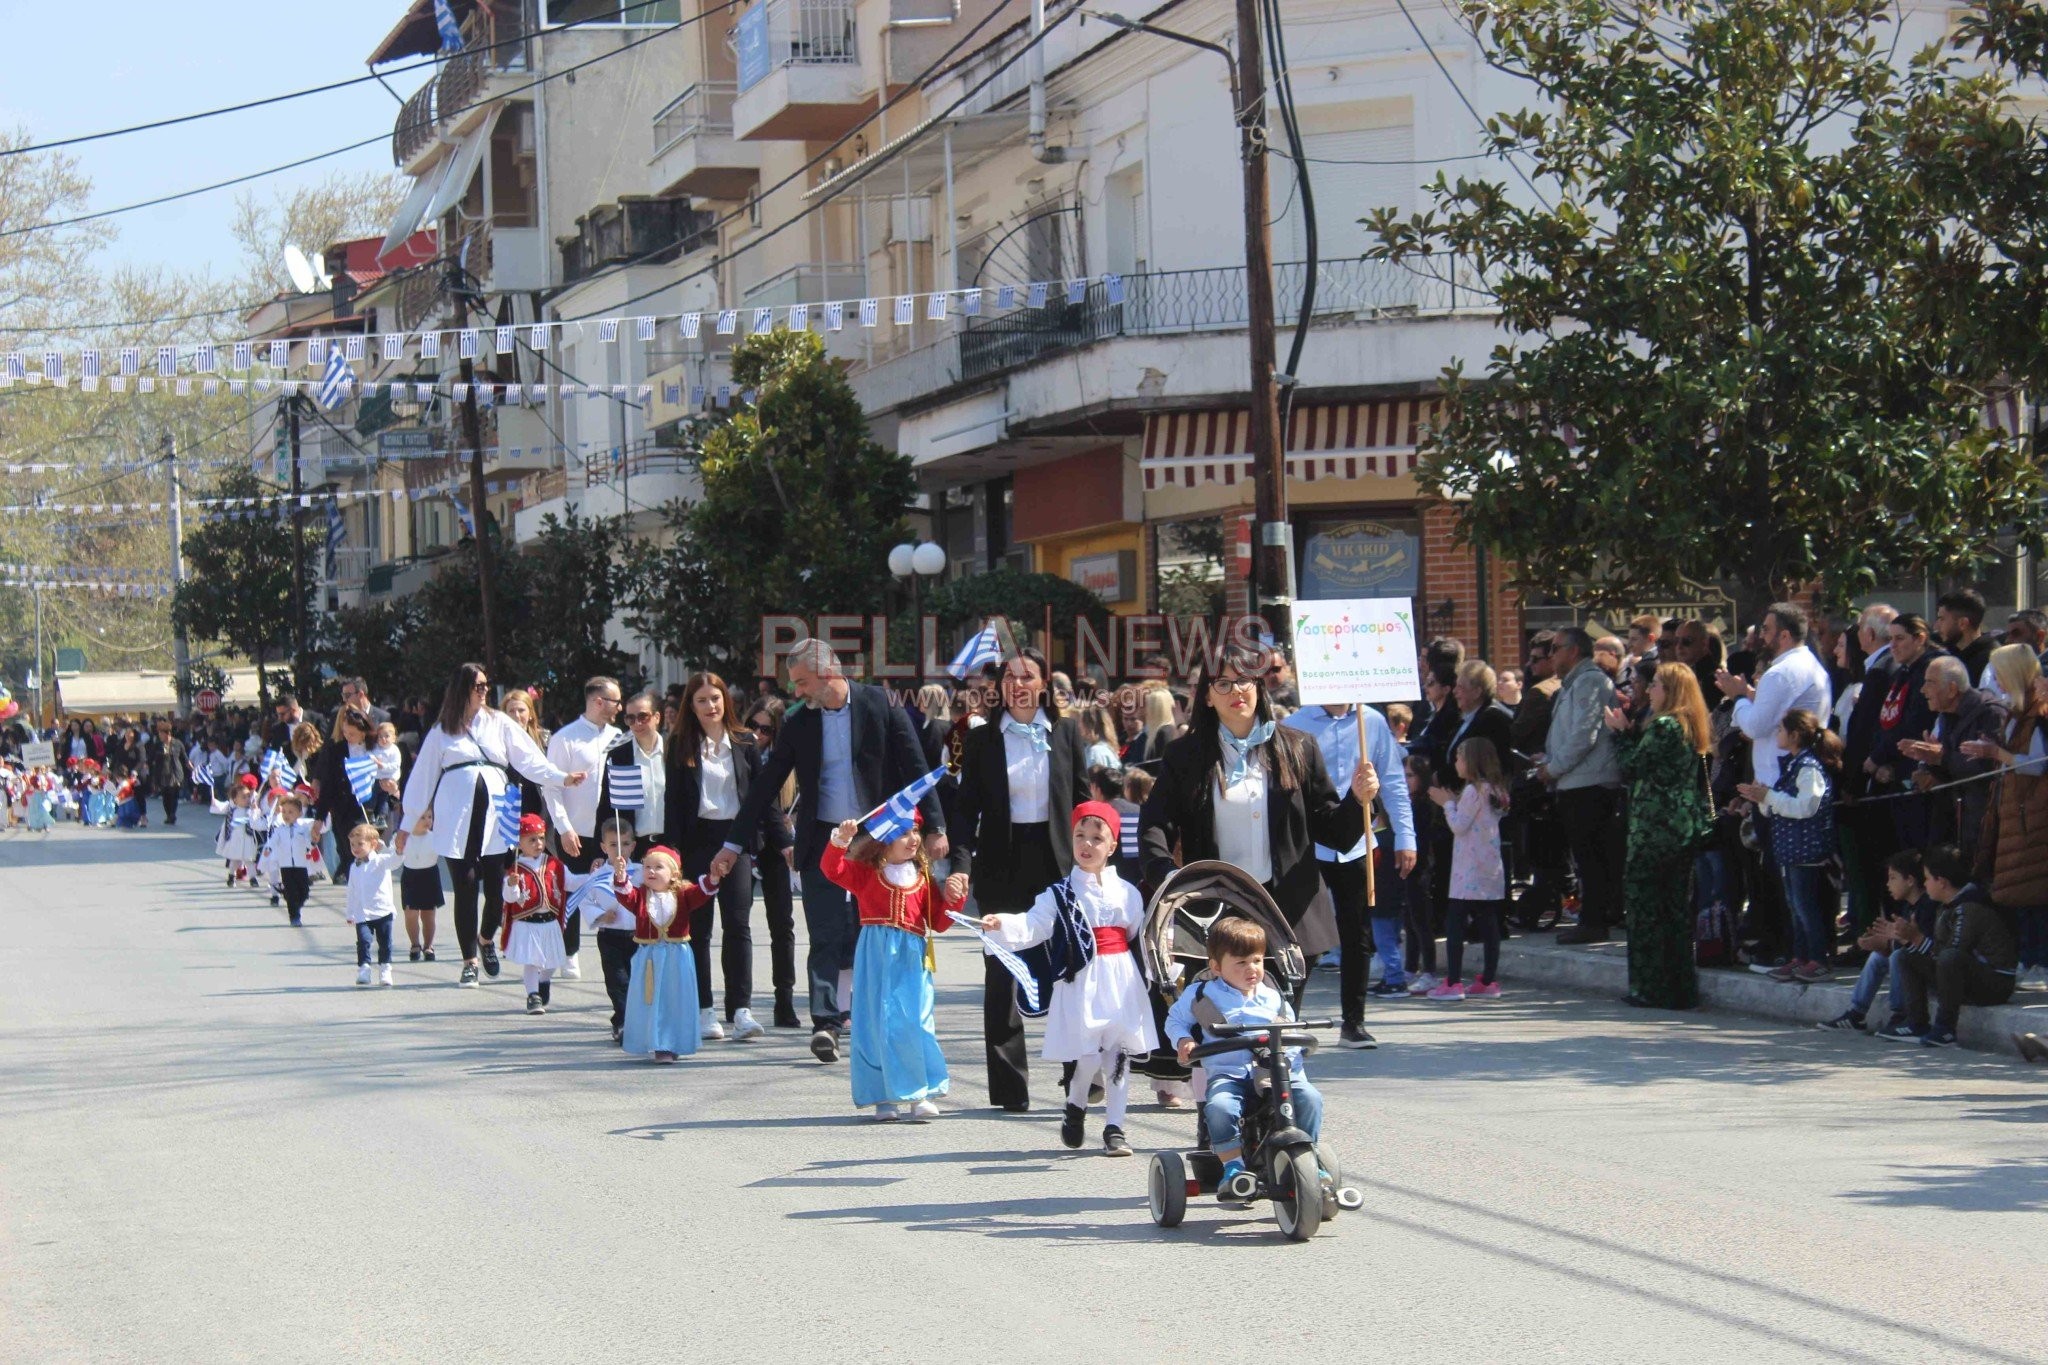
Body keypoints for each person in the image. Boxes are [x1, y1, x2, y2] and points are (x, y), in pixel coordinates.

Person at [714, 639, 947, 1065]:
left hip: (880, 840)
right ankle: (824, 1023)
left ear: (828, 672)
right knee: (823, 931)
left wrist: (935, 827)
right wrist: (733, 843)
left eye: (802, 682)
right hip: (826, 839)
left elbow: (916, 767)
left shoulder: (880, 702)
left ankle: (870, 1010)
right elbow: (767, 785)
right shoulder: (799, 721)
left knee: (871, 929)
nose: (797, 692)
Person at [1139, 643, 1375, 988]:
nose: (1236, 690)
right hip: (1215, 911)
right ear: (1207, 696)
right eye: (1223, 683)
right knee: (1225, 1023)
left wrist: (1358, 799)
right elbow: (1155, 825)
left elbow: (1333, 831)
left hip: (1287, 915)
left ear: (1259, 686)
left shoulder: (1299, 747)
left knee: (1280, 1026)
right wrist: (1167, 878)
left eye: (1245, 680)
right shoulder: (1184, 756)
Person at [950, 647, 1095, 1110]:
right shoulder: (982, 740)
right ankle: (1010, 1088)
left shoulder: (1067, 733)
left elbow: (1082, 802)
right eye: (1009, 676)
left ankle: (1080, 1073)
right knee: (1002, 974)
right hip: (1000, 865)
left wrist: (1094, 860)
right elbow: (963, 813)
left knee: (1070, 970)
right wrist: (960, 866)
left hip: (1056, 865)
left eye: (1027, 675)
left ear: (1043, 684)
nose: (1018, 684)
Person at [976, 801, 1158, 1156]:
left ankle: (1115, 1129)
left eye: (1096, 837)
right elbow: (1034, 925)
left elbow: (1137, 932)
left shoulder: (1128, 892)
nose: (1087, 844)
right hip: (1081, 981)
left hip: (1121, 978)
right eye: (1079, 836)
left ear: (1112, 845)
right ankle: (1076, 1105)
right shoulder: (1059, 894)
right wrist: (1002, 923)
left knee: (1119, 1055)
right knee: (1088, 1056)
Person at [399, 663, 586, 990]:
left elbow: (529, 758)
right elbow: (423, 778)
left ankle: (486, 938)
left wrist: (560, 777)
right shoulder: (443, 729)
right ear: (462, 688)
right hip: (456, 815)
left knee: (498, 888)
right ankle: (469, 960)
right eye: (477, 685)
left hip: (497, 815)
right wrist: (406, 823)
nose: (483, 690)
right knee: (466, 886)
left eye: (485, 684)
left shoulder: (499, 723)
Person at [1282, 697, 1415, 1047]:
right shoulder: (1295, 724)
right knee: (1302, 937)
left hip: (1358, 843)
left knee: (1358, 934)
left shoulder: (1371, 721)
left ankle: (1353, 1022)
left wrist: (1406, 835)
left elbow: (1393, 780)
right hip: (1310, 845)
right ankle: (1288, 1020)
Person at [665, 672, 788, 1042]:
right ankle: (705, 1010)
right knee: (698, 930)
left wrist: (783, 841)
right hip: (696, 842)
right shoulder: (680, 744)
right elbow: (673, 805)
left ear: (726, 701)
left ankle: (741, 1010)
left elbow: (760, 799)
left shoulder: (745, 742)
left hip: (735, 841)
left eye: (715, 698)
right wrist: (672, 856)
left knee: (738, 925)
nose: (710, 706)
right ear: (691, 705)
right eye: (701, 700)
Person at [1164, 916, 1325, 1197]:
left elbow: (1291, 1033)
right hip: (1230, 1071)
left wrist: (1292, 1052)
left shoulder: (1274, 997)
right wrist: (1184, 1039)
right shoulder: (1202, 994)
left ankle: (1307, 1155)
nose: (1251, 969)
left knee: (1310, 1098)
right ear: (1216, 967)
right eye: (1240, 963)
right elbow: (1175, 1020)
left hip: (1275, 1071)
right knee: (1220, 1107)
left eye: (1257, 961)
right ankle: (1233, 1166)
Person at [821, 815, 964, 1121]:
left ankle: (919, 1092)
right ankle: (882, 1095)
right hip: (876, 955)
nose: (913, 838)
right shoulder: (867, 873)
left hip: (912, 958)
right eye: (903, 833)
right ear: (883, 841)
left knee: (916, 1021)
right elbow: (832, 869)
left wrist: (955, 897)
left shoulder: (923, 877)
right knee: (876, 1023)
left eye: (915, 831)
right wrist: (840, 841)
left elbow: (938, 921)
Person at [1608, 663, 1715, 1009]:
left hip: (1655, 829)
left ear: (1671, 690)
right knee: (1674, 910)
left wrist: (1621, 733)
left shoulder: (1666, 725)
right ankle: (1679, 987)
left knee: (1645, 908)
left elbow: (1632, 765)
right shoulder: (1689, 725)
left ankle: (1650, 986)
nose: (1649, 690)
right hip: (1679, 827)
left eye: (1655, 685)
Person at [1737, 709, 1842, 983]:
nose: (1777, 735)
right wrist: (1761, 797)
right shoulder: (1792, 765)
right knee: (1795, 908)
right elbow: (1778, 807)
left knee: (1807, 908)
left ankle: (1818, 959)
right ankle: (1800, 957)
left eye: (1781, 730)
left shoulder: (1809, 768)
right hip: (1790, 851)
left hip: (1806, 851)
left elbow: (1807, 806)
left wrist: (1769, 795)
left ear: (1795, 735)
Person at [1881, 844, 2019, 1046]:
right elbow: (1938, 951)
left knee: (1950, 957)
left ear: (1942, 882)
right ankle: (1916, 1022)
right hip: (1967, 977)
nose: (1925, 884)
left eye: (1927, 879)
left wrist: (1917, 939)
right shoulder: (1946, 907)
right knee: (1905, 956)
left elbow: (1951, 954)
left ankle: (1945, 1029)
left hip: (1995, 983)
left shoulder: (1970, 907)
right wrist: (1909, 941)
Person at [1968, 644, 2048, 988]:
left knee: (2034, 893)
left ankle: (2039, 964)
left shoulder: (2037, 715)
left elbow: (2036, 764)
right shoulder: (2017, 713)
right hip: (2015, 814)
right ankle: (2028, 960)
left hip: (2033, 816)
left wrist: (1995, 752)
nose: (1996, 680)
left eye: (2001, 672)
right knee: (2018, 892)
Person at [1539, 627, 1625, 943]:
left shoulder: (1590, 681)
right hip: (1574, 782)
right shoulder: (1573, 684)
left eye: (1555, 648)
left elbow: (1584, 734)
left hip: (1589, 783)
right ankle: (1594, 917)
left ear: (1573, 651)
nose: (1551, 655)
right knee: (1585, 856)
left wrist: (1554, 767)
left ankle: (1595, 920)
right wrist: (1546, 759)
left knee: (1592, 858)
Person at [611, 846, 717, 1063]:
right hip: (649, 958)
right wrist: (620, 877)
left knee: (675, 1000)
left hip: (676, 957)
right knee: (652, 1000)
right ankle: (658, 1044)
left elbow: (702, 893)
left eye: (658, 867)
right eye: (647, 867)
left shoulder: (683, 894)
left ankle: (674, 1041)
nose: (651, 871)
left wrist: (714, 877)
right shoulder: (640, 895)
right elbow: (625, 896)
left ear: (674, 874)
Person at [1897, 656, 2007, 860]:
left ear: (1952, 689)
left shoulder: (1990, 713)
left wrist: (1941, 758)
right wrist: (1930, 766)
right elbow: (1950, 766)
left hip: (1985, 823)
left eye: (1930, 683)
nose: (1923, 690)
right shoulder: (1947, 715)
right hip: (1957, 819)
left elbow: (1987, 769)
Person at [1427, 736, 1510, 1000]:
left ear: (1472, 761)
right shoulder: (1497, 789)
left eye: (1460, 757)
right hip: (1489, 868)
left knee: (1455, 924)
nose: (1456, 762)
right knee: (1489, 923)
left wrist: (1446, 803)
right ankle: (1488, 979)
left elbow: (1459, 825)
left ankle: (1453, 982)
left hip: (1468, 870)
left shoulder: (1474, 790)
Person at [741, 695, 801, 1027]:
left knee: (782, 924)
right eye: (753, 725)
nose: (758, 733)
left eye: (766, 728)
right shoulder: (741, 751)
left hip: (778, 845)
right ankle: (741, 1005)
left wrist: (791, 830)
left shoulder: (786, 756)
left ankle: (784, 1000)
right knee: (738, 924)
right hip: (747, 841)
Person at [1819, 851, 1929, 1032]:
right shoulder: (1908, 905)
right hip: (1914, 961)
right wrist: (1882, 943)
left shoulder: (1927, 906)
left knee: (1897, 956)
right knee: (1877, 957)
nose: (1888, 884)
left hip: (1927, 965)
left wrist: (1889, 943)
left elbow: (1921, 945)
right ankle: (1856, 1014)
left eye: (1893, 878)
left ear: (1910, 880)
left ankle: (1900, 1014)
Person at [568, 818, 639, 1043]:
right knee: (617, 981)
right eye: (614, 845)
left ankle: (639, 1021)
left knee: (638, 980)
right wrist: (600, 915)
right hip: (611, 935)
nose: (620, 850)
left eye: (625, 844)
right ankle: (623, 1022)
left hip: (639, 936)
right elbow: (585, 901)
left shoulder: (640, 872)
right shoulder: (597, 875)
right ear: (603, 847)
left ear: (633, 846)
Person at [500, 815, 569, 1015]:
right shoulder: (515, 869)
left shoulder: (553, 864)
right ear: (519, 843)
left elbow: (569, 881)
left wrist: (592, 878)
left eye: (540, 838)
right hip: (527, 924)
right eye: (532, 839)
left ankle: (544, 980)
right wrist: (511, 885)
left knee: (553, 960)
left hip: (549, 922)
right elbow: (509, 898)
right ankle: (533, 996)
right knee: (531, 961)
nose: (538, 843)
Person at [310, 708, 377, 887]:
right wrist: (320, 817)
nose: (348, 736)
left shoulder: (376, 748)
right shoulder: (337, 750)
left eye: (353, 733)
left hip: (368, 809)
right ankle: (354, 892)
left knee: (368, 852)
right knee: (349, 852)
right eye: (345, 732)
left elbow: (390, 771)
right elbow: (328, 786)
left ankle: (368, 891)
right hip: (343, 810)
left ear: (364, 732)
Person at [342, 824, 402, 988]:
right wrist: (350, 912)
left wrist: (398, 849)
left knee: (385, 942)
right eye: (352, 844)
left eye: (360, 844)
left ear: (373, 844)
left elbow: (395, 861)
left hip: (382, 911)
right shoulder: (354, 867)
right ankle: (364, 968)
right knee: (363, 941)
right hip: (362, 913)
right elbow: (352, 891)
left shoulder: (381, 861)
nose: (355, 848)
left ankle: (385, 969)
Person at [260, 790, 319, 927]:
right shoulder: (280, 829)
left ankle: (288, 894)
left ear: (299, 814)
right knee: (292, 892)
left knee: (304, 891)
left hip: (300, 864)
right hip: (286, 865)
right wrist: (268, 849)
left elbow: (308, 843)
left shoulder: (302, 829)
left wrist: (313, 842)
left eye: (290, 812)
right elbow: (273, 841)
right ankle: (294, 916)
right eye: (284, 812)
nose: (286, 815)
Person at [398, 808, 441, 963]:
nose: (427, 820)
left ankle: (429, 945)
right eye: (422, 817)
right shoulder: (404, 837)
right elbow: (395, 855)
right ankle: (415, 944)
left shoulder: (435, 837)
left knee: (429, 913)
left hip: (429, 875)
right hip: (410, 875)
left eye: (430, 817)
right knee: (411, 913)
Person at [1935, 589, 1995, 688]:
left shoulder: (1991, 662)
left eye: (1942, 619)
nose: (1936, 626)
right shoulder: (1949, 655)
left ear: (1962, 623)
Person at [211, 774, 263, 887]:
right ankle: (231, 876)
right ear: (235, 799)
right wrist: (214, 801)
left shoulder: (250, 810)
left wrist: (255, 810)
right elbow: (219, 807)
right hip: (235, 839)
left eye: (248, 796)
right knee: (235, 860)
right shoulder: (232, 809)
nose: (247, 799)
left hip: (248, 839)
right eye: (243, 797)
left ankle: (253, 878)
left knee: (249, 860)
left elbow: (256, 819)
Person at [144, 717, 189, 826]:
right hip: (162, 773)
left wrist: (191, 767)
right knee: (166, 796)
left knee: (174, 794)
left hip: (175, 773)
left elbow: (184, 758)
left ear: (167, 734)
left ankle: (173, 814)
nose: (160, 736)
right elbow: (150, 758)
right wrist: (146, 765)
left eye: (161, 733)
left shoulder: (178, 743)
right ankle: (168, 814)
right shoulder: (157, 745)